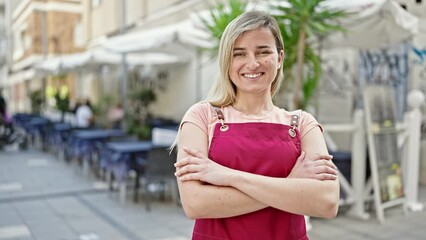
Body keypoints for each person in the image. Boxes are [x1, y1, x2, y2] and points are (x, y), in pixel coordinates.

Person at [174, 11, 339, 240]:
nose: (252, 63)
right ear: (227, 61)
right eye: (239, 54)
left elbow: (327, 202)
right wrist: (290, 185)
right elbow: (195, 204)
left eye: (263, 51)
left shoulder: (303, 124)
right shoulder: (202, 117)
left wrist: (226, 176)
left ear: (279, 58)